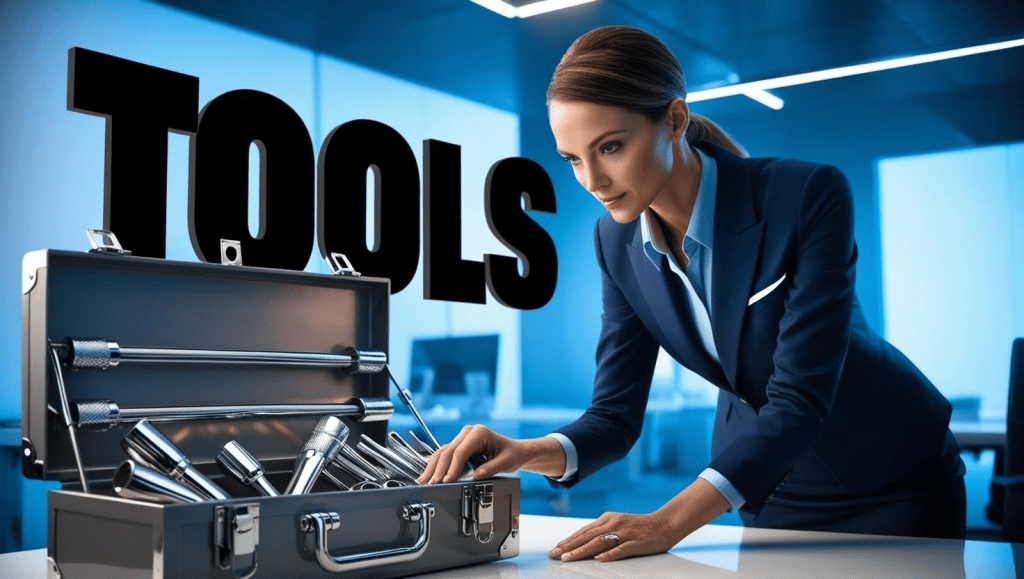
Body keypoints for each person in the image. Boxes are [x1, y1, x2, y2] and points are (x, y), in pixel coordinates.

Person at [418, 25, 966, 562]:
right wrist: (524, 452)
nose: (591, 180)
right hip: (764, 484)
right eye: (573, 158)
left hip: (888, 474)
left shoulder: (806, 195)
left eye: (610, 147)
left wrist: (666, 522)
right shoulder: (615, 241)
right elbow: (614, 417)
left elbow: (799, 400)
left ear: (674, 120)